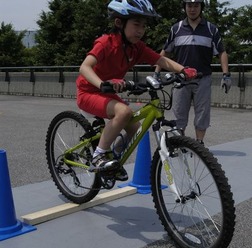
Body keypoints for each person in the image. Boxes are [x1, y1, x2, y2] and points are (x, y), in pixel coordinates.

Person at [76, 0, 197, 181]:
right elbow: (85, 67)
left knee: (135, 129)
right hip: (89, 92)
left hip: (107, 93)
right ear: (119, 23)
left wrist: (183, 70)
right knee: (123, 111)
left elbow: (160, 60)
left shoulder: (136, 48)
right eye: (136, 25)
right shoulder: (105, 43)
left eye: (143, 26)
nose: (140, 30)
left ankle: (112, 160)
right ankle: (98, 157)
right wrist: (102, 84)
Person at [154, 0, 232, 145]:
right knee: (179, 114)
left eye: (196, 5)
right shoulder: (176, 29)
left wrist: (226, 75)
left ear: (201, 7)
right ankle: (182, 143)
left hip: (203, 78)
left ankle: (199, 143)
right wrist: (156, 73)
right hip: (180, 79)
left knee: (202, 114)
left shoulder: (210, 29)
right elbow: (165, 52)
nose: (192, 9)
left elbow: (222, 52)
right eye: (189, 5)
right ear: (185, 7)